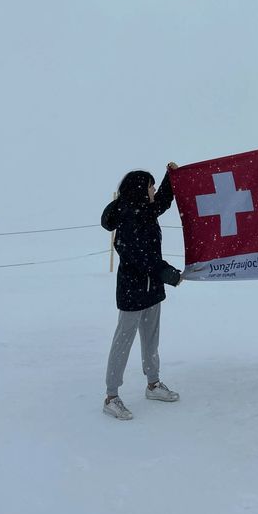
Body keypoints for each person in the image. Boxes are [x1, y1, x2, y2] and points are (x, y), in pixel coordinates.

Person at [101, 162, 183, 421]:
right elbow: (140, 257)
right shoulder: (128, 219)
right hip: (132, 292)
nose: (153, 190)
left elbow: (163, 201)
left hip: (152, 291)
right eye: (150, 185)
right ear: (139, 189)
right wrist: (166, 272)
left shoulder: (146, 211)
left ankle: (153, 384)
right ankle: (111, 396)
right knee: (123, 342)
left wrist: (170, 176)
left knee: (151, 340)